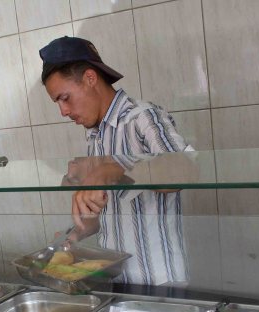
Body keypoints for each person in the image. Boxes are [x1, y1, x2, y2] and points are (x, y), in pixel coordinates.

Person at [40, 36, 192, 286]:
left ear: (90, 78)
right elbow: (117, 213)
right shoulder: (95, 136)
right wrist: (79, 230)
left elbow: (184, 170)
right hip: (117, 281)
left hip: (159, 282)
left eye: (64, 98)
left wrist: (115, 168)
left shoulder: (143, 117)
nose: (63, 111)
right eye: (57, 102)